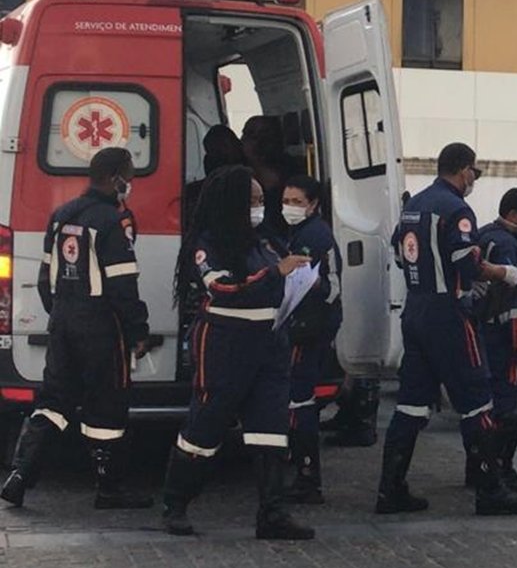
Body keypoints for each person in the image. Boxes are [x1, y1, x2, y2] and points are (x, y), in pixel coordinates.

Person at [373, 142, 517, 516]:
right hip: (448, 313)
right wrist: (506, 273)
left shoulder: (414, 205)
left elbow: (400, 256)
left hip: (416, 311)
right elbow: (469, 264)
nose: (473, 179)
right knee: (478, 399)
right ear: (464, 170)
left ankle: (391, 489)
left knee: (411, 404)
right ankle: (489, 490)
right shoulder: (456, 209)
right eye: (474, 173)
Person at [160, 164, 315, 539]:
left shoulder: (267, 240)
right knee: (206, 424)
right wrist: (276, 273)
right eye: (254, 201)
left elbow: (279, 281)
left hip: (269, 342)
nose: (261, 207)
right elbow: (226, 287)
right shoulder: (208, 244)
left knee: (271, 428)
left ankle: (273, 513)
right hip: (225, 343)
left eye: (263, 200)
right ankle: (175, 503)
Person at [1, 147, 152, 510]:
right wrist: (138, 330)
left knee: (53, 401)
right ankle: (109, 490)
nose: (130, 184)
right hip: (101, 326)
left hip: (64, 321)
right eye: (129, 177)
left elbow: (44, 278)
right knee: (107, 404)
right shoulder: (110, 221)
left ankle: (20, 475)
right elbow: (122, 285)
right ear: (115, 176)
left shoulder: (62, 214)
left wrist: (61, 314)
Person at [469, 188, 517, 493]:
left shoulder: (486, 235)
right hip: (503, 339)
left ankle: (478, 469)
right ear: (513, 215)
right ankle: (501, 470)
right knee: (506, 408)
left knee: (484, 406)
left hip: (483, 335)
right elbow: (512, 303)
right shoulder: (506, 245)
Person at [280, 175, 342, 504]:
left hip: (309, 327)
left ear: (313, 205)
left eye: (297, 203)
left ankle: (307, 476)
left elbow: (329, 288)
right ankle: (303, 470)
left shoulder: (314, 236)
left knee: (300, 401)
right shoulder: (301, 231)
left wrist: (302, 279)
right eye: (287, 201)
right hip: (306, 324)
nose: (290, 208)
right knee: (298, 399)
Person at [241, 115, 300, 245]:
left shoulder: (289, 168)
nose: (243, 140)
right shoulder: (240, 168)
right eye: (246, 135)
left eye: (252, 136)